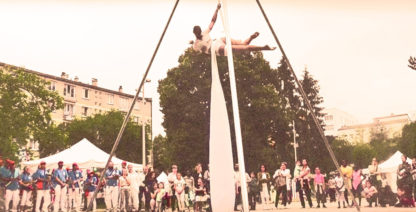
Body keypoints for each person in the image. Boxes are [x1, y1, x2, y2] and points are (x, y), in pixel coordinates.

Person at [191, 3, 276, 57]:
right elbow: (201, 51)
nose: (200, 34)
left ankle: (251, 38)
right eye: (198, 33)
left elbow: (213, 21)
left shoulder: (204, 33)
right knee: (244, 47)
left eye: (200, 32)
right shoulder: (196, 45)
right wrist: (193, 43)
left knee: (243, 44)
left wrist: (216, 10)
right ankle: (263, 47)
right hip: (217, 49)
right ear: (195, 34)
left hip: (217, 41)